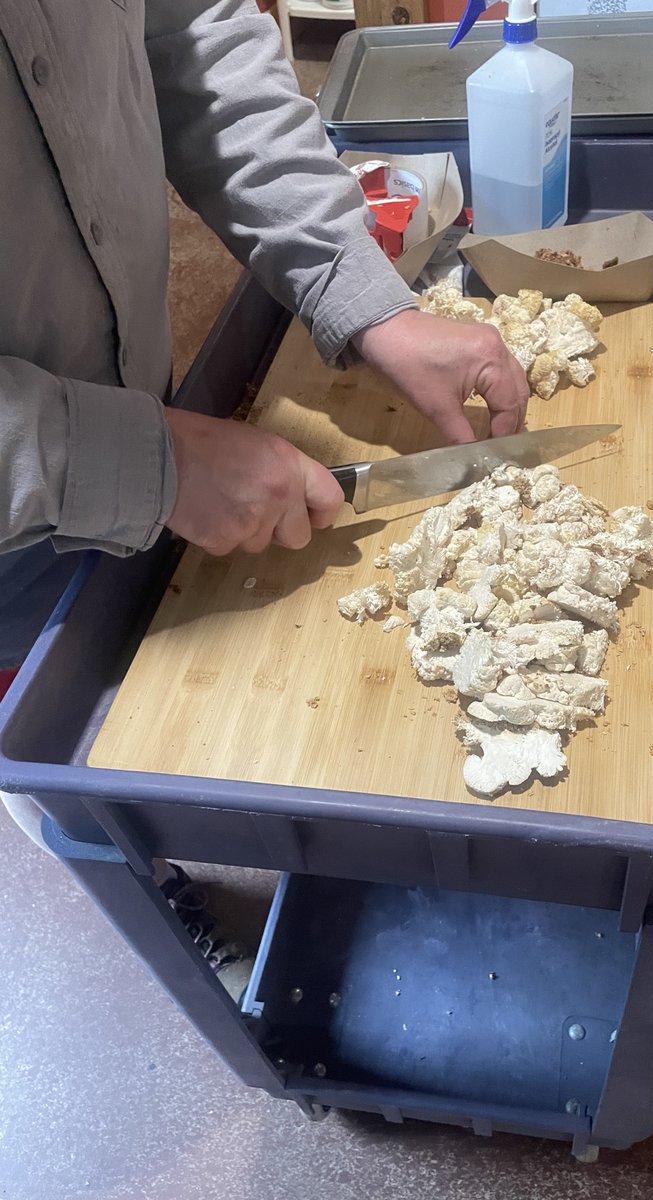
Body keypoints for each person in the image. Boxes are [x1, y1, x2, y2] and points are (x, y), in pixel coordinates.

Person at [0, 1, 529, 992]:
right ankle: (140, 878)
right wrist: (134, 461)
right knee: (46, 741)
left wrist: (359, 291)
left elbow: (188, 31)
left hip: (134, 405)